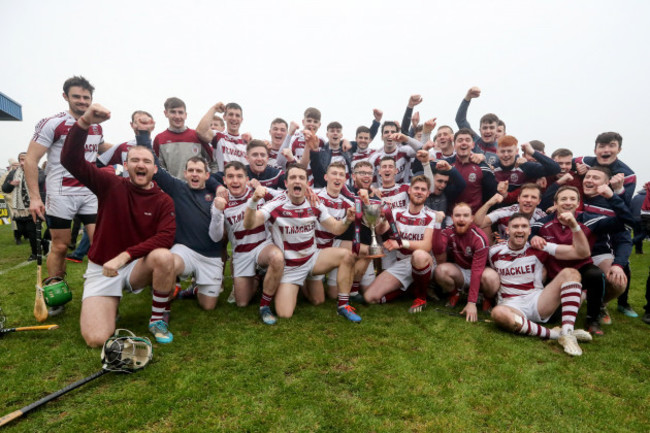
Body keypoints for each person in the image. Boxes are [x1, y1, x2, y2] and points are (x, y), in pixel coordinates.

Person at [60, 103, 176, 347]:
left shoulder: (163, 199)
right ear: (127, 164)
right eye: (135, 160)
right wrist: (84, 122)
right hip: (102, 267)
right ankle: (108, 306)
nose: (141, 165)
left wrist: (125, 256)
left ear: (155, 169)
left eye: (146, 161)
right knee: (96, 339)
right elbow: (70, 160)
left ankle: (157, 320)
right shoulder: (110, 184)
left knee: (165, 257)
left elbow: (166, 237)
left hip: (134, 266)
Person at [24, 76, 108, 315]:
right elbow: (31, 159)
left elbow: (100, 149)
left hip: (90, 192)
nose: (82, 101)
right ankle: (56, 292)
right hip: (61, 194)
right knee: (60, 247)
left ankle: (100, 293)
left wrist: (132, 147)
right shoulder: (53, 123)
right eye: (77, 97)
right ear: (66, 97)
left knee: (99, 243)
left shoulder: (97, 125)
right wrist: (35, 198)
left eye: (86, 97)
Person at [243, 158, 361, 322]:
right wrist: (253, 201)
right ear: (286, 183)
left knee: (347, 256)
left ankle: (343, 306)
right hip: (290, 266)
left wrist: (347, 221)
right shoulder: (277, 203)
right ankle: (265, 304)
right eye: (293, 178)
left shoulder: (314, 204)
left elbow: (335, 228)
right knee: (285, 314)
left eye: (301, 178)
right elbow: (249, 223)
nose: (297, 181)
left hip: (312, 258)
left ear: (307, 183)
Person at [137, 117, 226, 314]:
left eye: (199, 171)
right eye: (191, 171)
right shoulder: (177, 188)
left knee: (208, 306)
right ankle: (162, 310)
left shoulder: (216, 196)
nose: (195, 174)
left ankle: (195, 288)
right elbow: (156, 169)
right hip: (184, 250)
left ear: (206, 175)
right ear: (185, 174)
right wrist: (143, 136)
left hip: (211, 255)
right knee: (169, 263)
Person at [489, 213, 593, 356]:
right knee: (498, 313)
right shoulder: (494, 251)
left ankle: (568, 332)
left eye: (524, 226)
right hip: (511, 304)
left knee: (571, 273)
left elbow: (582, 253)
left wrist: (574, 225)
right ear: (507, 230)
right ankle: (555, 335)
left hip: (537, 301)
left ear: (530, 231)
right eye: (515, 226)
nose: (520, 230)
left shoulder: (539, 247)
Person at [218, 161, 284, 325]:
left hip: (262, 245)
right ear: (224, 180)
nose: (235, 181)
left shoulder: (257, 193)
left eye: (239, 176)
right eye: (230, 177)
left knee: (277, 257)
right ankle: (258, 277)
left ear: (247, 179)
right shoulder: (222, 201)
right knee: (242, 303)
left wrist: (265, 189)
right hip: (241, 253)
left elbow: (285, 196)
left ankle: (264, 306)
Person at [363, 175, 438, 313]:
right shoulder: (397, 213)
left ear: (428, 193)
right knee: (369, 297)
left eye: (423, 189)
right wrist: (385, 218)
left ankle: (421, 297)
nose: (419, 192)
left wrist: (401, 243)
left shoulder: (431, 215)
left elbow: (427, 246)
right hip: (402, 263)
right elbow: (380, 231)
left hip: (424, 262)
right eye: (416, 188)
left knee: (419, 255)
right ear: (409, 190)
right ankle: (408, 291)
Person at [433, 203, 500, 321]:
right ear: (452, 218)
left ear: (471, 218)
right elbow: (438, 250)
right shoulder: (449, 231)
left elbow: (477, 270)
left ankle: (486, 299)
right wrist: (437, 224)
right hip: (461, 270)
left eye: (465, 215)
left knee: (491, 278)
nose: (461, 219)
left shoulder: (479, 237)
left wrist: (471, 303)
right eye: (457, 215)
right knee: (440, 270)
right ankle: (455, 294)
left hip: (480, 272)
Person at [152, 97, 212, 179]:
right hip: (172, 190)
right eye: (173, 112)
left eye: (180, 112)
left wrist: (211, 183)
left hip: (197, 189)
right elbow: (157, 168)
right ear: (166, 113)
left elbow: (213, 162)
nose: (177, 116)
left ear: (185, 115)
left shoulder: (197, 135)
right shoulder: (159, 139)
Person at [2, 152, 44, 261]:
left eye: (24, 159)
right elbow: (5, 188)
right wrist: (11, 184)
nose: (22, 162)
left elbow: (40, 181)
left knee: (32, 231)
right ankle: (43, 244)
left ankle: (35, 253)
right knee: (21, 229)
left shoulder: (37, 170)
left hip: (33, 206)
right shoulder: (14, 173)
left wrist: (27, 174)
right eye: (20, 159)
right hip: (19, 209)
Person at [445, 128, 497, 214]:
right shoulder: (446, 165)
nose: (464, 143)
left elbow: (491, 196)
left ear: (473, 145)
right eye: (460, 140)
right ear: (454, 145)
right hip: (450, 217)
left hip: (474, 218)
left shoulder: (483, 167)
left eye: (467, 140)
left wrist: (482, 217)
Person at [474, 184, 547, 244]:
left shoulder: (542, 217)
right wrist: (489, 203)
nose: (528, 200)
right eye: (525, 196)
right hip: (503, 251)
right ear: (518, 198)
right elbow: (479, 223)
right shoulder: (506, 212)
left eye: (533, 197)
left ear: (539, 201)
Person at [197, 102, 248, 173]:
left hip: (242, 182)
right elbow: (200, 131)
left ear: (241, 119)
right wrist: (214, 109)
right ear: (224, 117)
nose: (234, 118)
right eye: (231, 114)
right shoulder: (218, 137)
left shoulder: (247, 142)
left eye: (237, 115)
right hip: (222, 182)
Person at [454, 86, 499, 166]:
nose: (488, 131)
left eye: (491, 128)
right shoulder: (474, 139)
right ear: (480, 130)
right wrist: (468, 98)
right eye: (484, 128)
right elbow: (460, 120)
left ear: (496, 130)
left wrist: (484, 159)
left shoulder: (501, 149)